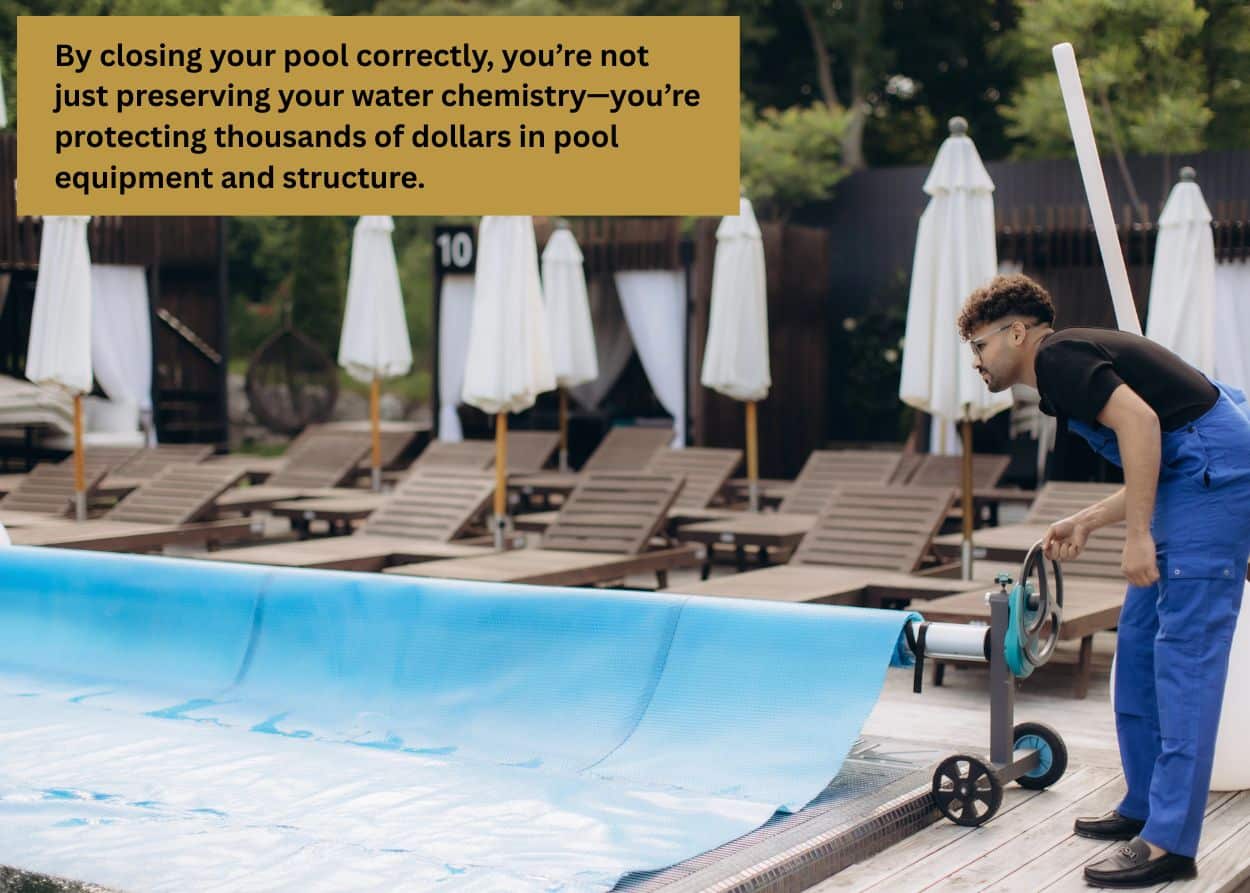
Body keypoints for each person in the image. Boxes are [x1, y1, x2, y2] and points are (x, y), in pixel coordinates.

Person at [958, 274, 1250, 888]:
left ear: (1018, 333)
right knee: (1138, 649)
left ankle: (1170, 842)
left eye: (980, 345)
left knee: (1186, 664)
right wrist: (1090, 519)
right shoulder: (1063, 374)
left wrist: (1138, 535)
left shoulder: (1059, 357)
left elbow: (1143, 427)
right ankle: (1144, 804)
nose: (976, 361)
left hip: (1216, 483)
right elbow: (1162, 455)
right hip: (1193, 477)